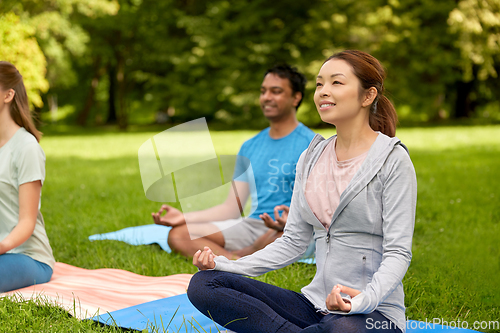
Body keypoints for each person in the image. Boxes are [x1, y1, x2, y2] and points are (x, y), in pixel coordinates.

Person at [187, 50, 417, 333]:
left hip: (372, 313)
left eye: (336, 83)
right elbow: (293, 242)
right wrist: (225, 265)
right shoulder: (311, 157)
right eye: (320, 84)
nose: (323, 91)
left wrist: (362, 301)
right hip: (314, 305)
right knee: (205, 283)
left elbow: (398, 252)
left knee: (343, 330)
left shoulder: (392, 159)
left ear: (367, 96)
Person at [152, 64, 316, 259]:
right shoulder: (250, 146)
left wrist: (291, 222)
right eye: (263, 91)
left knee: (278, 239)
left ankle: (244, 258)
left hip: (292, 229)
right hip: (253, 225)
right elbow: (231, 208)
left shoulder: (312, 145)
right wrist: (182, 217)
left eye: (276, 91)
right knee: (179, 234)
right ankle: (237, 261)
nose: (266, 97)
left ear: (296, 98)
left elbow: (321, 210)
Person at [0, 61, 55, 293]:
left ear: (8, 95)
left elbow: (27, 222)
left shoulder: (26, 147)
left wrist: (1, 246)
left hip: (28, 256)